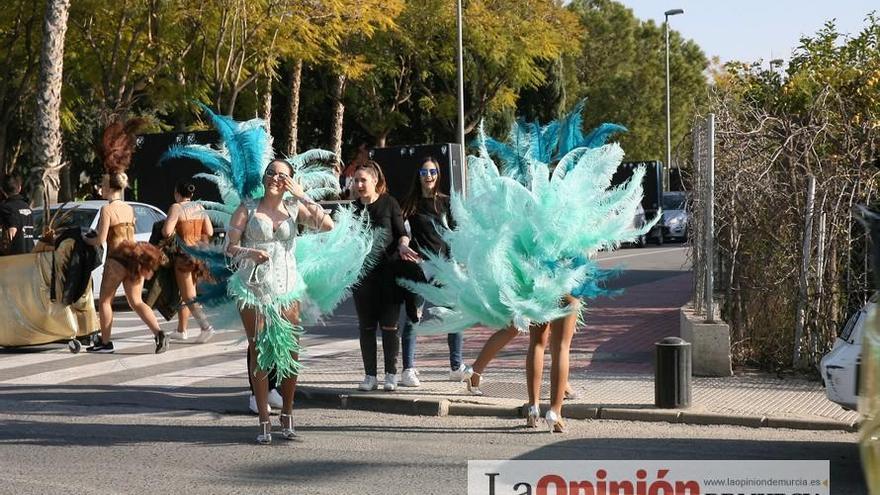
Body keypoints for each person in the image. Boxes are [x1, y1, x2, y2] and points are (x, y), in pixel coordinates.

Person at [225, 158, 334, 444]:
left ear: (290, 181)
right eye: (271, 173)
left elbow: (327, 225)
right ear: (264, 178)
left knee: (291, 353)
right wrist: (250, 252)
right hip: (253, 288)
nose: (276, 178)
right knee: (259, 352)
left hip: (287, 288)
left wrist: (302, 195)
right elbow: (229, 247)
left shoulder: (295, 208)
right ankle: (264, 420)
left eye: (283, 175)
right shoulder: (247, 208)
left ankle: (287, 413)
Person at [85, 120, 167, 354]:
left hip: (117, 259)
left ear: (110, 188)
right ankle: (159, 333)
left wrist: (86, 240)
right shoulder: (129, 208)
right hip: (135, 257)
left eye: (102, 185)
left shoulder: (107, 210)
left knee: (105, 301)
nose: (101, 188)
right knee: (136, 301)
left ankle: (105, 342)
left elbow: (100, 240)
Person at [397, 157, 466, 387]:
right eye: (425, 171)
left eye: (433, 171)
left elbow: (456, 234)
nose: (429, 176)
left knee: (454, 316)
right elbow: (403, 231)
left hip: (445, 266)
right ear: (418, 175)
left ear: (438, 174)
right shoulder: (409, 203)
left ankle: (456, 367)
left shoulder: (446, 204)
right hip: (419, 266)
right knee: (413, 316)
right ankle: (408, 370)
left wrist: (459, 263)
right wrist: (403, 244)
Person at [351, 160, 417, 392]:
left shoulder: (389, 204)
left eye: (363, 180)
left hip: (389, 275)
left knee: (390, 327)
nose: (359, 184)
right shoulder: (353, 209)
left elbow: (402, 233)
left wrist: (403, 246)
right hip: (363, 277)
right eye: (356, 180)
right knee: (366, 328)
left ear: (375, 181)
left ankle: (391, 374)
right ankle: (370, 376)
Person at [162, 180, 215, 342]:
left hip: (183, 256)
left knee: (188, 295)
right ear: (191, 194)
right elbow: (210, 231)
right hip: (198, 255)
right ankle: (181, 330)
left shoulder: (176, 208)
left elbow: (166, 231)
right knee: (184, 293)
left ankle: (205, 327)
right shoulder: (199, 207)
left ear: (177, 193)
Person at [0, 175, 35, 255]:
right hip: (30, 256)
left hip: (13, 259)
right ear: (19, 188)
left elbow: (11, 232)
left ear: (2, 190)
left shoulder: (5, 208)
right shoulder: (27, 208)